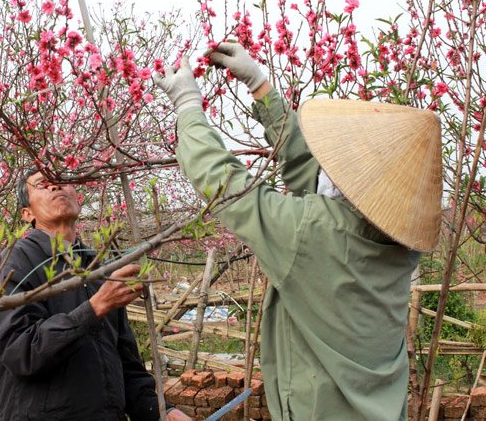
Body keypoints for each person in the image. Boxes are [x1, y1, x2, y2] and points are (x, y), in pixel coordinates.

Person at [154, 42, 441, 420]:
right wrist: (261, 88)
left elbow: (227, 187)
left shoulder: (314, 234)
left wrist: (189, 108)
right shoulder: (400, 243)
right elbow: (319, 179)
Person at [0, 169, 190, 420]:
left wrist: (161, 411)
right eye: (43, 184)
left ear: (77, 198)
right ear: (28, 214)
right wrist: (94, 308)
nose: (55, 187)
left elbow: (126, 365)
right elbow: (21, 352)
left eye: (62, 182)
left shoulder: (99, 268)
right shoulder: (15, 263)